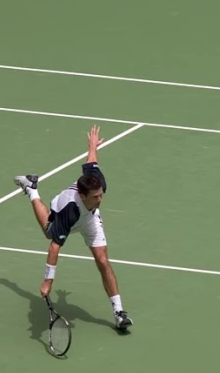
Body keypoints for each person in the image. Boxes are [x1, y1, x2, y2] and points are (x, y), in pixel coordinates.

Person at [13, 125, 133, 330]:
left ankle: (119, 313)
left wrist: (92, 146)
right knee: (48, 231)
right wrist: (48, 281)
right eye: (96, 196)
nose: (101, 198)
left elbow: (91, 163)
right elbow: (54, 247)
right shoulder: (69, 210)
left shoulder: (97, 184)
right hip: (65, 213)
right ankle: (32, 190)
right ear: (83, 195)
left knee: (103, 260)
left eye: (100, 194)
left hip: (90, 218)